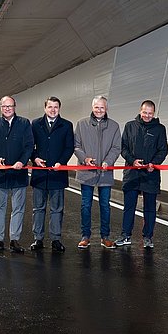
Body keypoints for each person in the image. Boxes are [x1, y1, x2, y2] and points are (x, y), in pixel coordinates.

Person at [114, 100, 168, 249]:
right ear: (140, 111)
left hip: (151, 173)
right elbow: (123, 147)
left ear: (154, 113)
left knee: (150, 208)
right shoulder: (130, 126)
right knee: (129, 206)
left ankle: (148, 237)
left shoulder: (160, 129)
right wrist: (132, 161)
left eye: (150, 113)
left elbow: (163, 150)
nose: (147, 116)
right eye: (145, 112)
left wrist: (154, 163)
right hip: (132, 172)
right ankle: (126, 235)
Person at [0, 96, 34, 254]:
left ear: (15, 107)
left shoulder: (24, 123)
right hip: (0, 173)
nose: (7, 109)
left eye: (10, 106)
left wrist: (22, 161)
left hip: (19, 172)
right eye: (4, 106)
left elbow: (29, 145)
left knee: (18, 208)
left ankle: (14, 240)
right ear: (0, 108)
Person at [73, 95, 121, 249]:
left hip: (105, 173)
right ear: (92, 108)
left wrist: (108, 161)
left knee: (105, 206)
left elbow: (116, 147)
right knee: (86, 205)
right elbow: (76, 145)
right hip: (87, 172)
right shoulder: (81, 124)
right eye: (96, 107)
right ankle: (85, 236)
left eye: (102, 107)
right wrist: (85, 158)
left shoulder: (114, 126)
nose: (99, 110)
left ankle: (105, 237)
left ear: (106, 109)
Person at [29, 97, 74, 253]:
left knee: (57, 209)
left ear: (59, 108)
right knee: (38, 208)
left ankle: (56, 239)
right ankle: (38, 238)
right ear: (45, 108)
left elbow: (69, 147)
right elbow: (30, 145)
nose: (53, 109)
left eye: (56, 107)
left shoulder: (66, 125)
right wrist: (34, 158)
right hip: (39, 173)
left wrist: (61, 162)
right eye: (50, 107)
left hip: (57, 173)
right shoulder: (35, 124)